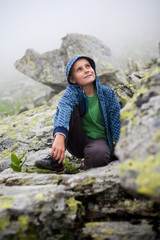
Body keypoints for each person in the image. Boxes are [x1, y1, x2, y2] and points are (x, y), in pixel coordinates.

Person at [35, 55, 121, 171]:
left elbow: (117, 124)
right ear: (72, 79)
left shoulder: (108, 94)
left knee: (99, 155)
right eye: (79, 69)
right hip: (77, 139)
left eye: (88, 66)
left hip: (98, 141)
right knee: (65, 111)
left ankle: (86, 164)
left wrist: (124, 148)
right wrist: (60, 135)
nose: (86, 70)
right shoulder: (72, 93)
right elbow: (64, 109)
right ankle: (55, 161)